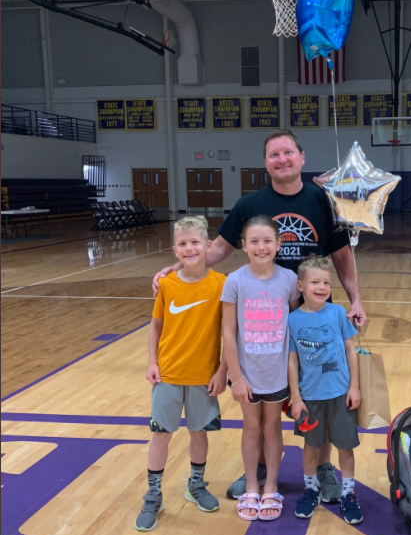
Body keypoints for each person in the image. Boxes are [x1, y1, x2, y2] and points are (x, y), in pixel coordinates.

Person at [152, 129, 367, 504]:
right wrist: (176, 267)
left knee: (321, 402)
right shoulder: (251, 204)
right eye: (273, 155)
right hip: (262, 330)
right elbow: (216, 249)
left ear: (301, 157)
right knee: (263, 416)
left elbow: (342, 257)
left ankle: (323, 470)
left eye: (287, 152)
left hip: (312, 322)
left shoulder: (323, 200)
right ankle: (262, 472)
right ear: (265, 163)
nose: (281, 159)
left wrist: (356, 300)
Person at [136, 216, 228, 532]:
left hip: (204, 376)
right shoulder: (167, 284)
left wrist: (222, 369)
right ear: (174, 249)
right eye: (183, 243)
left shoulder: (222, 284)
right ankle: (152, 496)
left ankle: (196, 485)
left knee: (199, 433)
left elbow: (230, 333)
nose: (189, 248)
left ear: (209, 245)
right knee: (161, 434)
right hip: (168, 374)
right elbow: (156, 326)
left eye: (195, 242)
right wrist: (152, 362)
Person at [221, 216, 301, 520]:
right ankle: (251, 486)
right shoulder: (235, 281)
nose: (261, 247)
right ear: (243, 246)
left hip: (278, 374)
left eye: (267, 241)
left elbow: (296, 323)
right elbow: (229, 332)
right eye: (253, 241)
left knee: (272, 428)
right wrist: (236, 377)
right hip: (248, 377)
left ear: (279, 244)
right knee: (251, 428)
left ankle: (271, 486)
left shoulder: (289, 280)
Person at [288, 255, 363, 525]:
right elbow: (292, 361)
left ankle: (348, 494)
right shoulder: (293, 320)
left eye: (326, 283)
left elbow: (350, 351)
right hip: (310, 398)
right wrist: (296, 398)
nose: (321, 287)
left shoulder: (337, 313)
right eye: (315, 282)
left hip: (341, 394)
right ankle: (310, 490)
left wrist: (354, 386)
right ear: (300, 286)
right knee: (311, 445)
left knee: (345, 446)